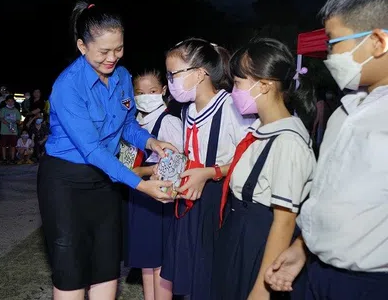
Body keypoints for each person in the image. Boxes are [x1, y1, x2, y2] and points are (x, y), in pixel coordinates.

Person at [37, 0, 176, 300]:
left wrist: (151, 142)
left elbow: (127, 126)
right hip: (66, 184)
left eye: (119, 49)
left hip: (105, 181)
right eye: (103, 51)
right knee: (71, 270)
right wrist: (142, 186)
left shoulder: (124, 77)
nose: (112, 58)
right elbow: (93, 151)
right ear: (82, 46)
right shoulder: (68, 86)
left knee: (105, 267)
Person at [265, 0, 388, 300]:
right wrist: (304, 247)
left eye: (334, 43)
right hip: (317, 273)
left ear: (377, 41)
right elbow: (332, 197)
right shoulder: (343, 114)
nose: (329, 55)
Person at [212, 38, 317, 300]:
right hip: (239, 236)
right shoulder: (262, 129)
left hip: (260, 246)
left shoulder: (288, 142)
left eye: (238, 83)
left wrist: (262, 288)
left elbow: (284, 221)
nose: (234, 91)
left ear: (265, 86)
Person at [160, 38, 254, 299]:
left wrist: (210, 172)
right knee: (191, 276)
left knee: (212, 276)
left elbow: (249, 157)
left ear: (200, 73)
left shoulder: (232, 107)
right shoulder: (186, 110)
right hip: (190, 203)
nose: (170, 81)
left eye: (174, 73)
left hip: (218, 203)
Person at [125, 69, 183, 300]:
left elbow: (177, 162)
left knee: (160, 263)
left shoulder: (168, 121)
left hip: (159, 199)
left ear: (163, 91)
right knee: (146, 263)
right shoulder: (136, 122)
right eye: (140, 92)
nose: (146, 96)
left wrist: (145, 171)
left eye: (152, 91)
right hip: (139, 195)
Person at [0, 95, 21, 163]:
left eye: (12, 101)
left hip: (13, 131)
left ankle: (12, 158)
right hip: (4, 131)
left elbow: (18, 120)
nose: (10, 103)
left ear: (14, 102)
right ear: (6, 102)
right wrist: (8, 124)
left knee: (13, 145)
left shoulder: (16, 110)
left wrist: (14, 122)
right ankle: (4, 158)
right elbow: (1, 118)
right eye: (9, 101)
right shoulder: (3, 109)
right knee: (3, 145)